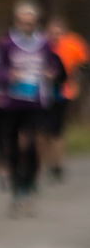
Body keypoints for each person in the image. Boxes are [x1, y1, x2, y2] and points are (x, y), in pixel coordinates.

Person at [0, 0, 65, 216]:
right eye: (23, 21)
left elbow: (58, 70)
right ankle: (17, 187)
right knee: (15, 146)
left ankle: (28, 182)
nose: (27, 25)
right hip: (12, 103)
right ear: (16, 21)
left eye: (30, 21)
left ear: (36, 22)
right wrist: (8, 76)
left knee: (34, 144)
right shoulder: (6, 43)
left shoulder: (44, 44)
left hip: (37, 101)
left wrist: (52, 74)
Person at [43, 15, 89, 181]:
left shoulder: (73, 43)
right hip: (43, 92)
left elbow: (84, 64)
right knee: (45, 130)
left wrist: (77, 79)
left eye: (58, 32)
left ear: (64, 31)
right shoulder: (43, 44)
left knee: (57, 130)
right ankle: (48, 163)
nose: (55, 35)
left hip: (64, 92)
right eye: (52, 32)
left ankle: (58, 164)